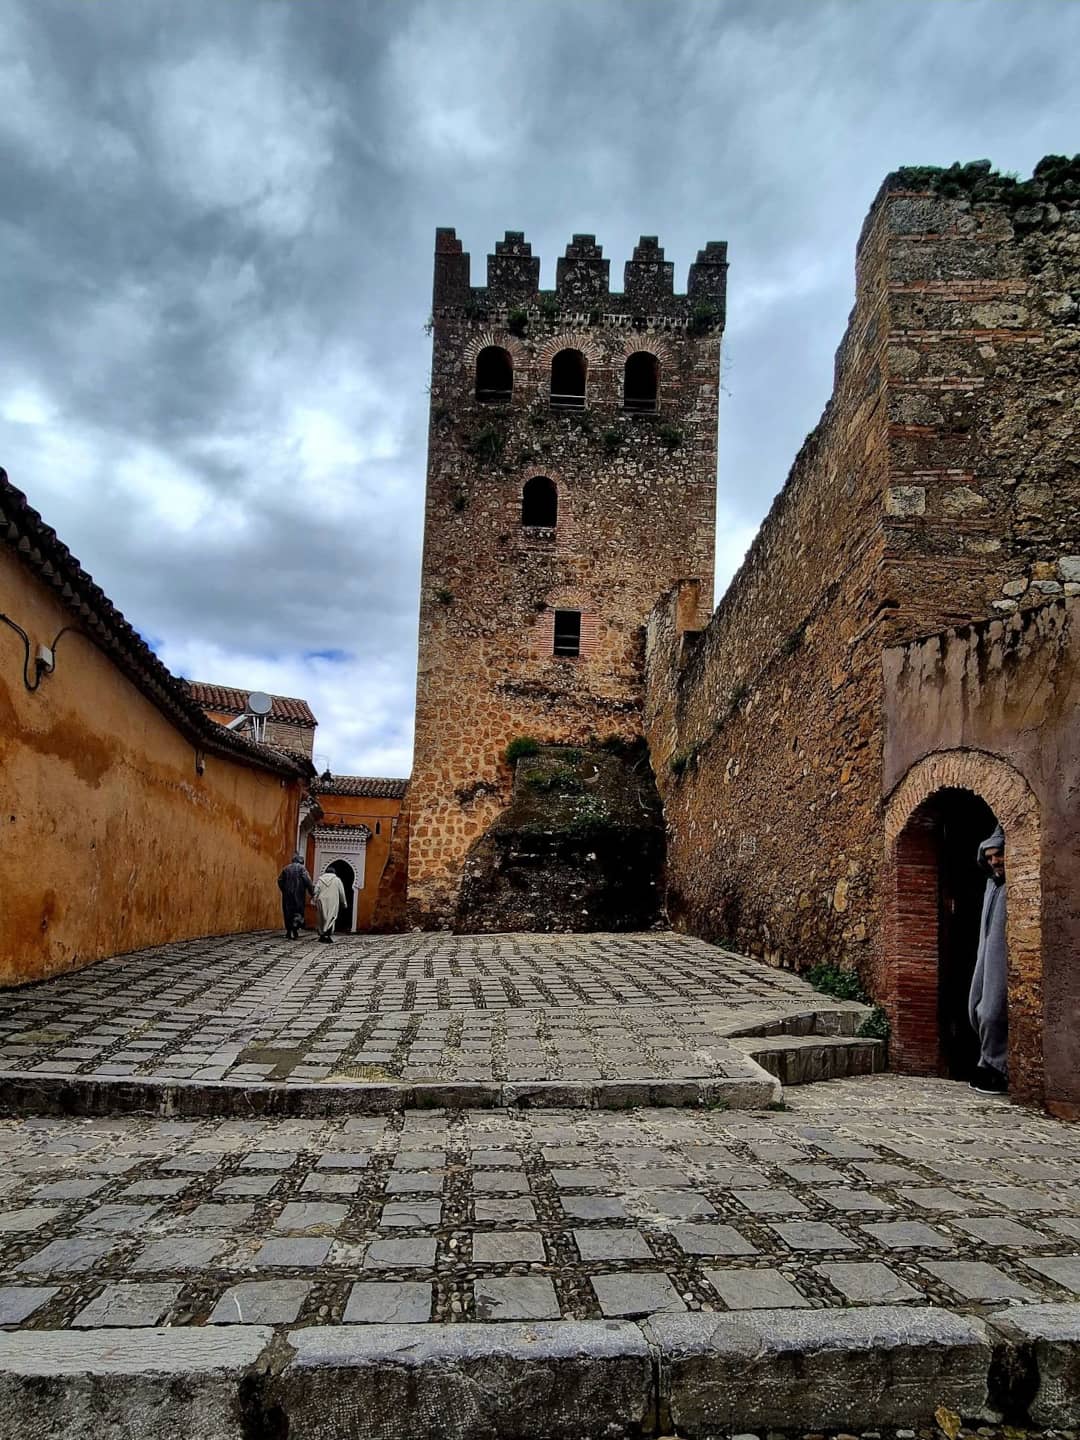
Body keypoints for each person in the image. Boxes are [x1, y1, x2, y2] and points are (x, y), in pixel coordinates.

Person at [968, 825, 1008, 1094]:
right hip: (987, 953)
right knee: (977, 1004)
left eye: (999, 855)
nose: (995, 861)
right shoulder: (991, 886)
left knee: (993, 1009)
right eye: (990, 856)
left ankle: (997, 1066)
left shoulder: (1011, 887)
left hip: (1003, 956)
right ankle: (988, 1060)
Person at [277, 852, 314, 940]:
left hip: (287, 895)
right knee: (298, 912)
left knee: (288, 912)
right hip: (299, 894)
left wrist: (284, 889)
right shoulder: (302, 869)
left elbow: (280, 880)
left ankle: (289, 931)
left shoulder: (286, 868)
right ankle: (295, 929)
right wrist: (311, 891)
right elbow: (307, 881)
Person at [313, 866, 348, 943]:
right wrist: (344, 902)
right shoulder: (337, 880)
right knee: (331, 917)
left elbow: (316, 890)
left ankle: (322, 934)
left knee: (322, 918)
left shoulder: (320, 880)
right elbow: (341, 892)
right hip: (333, 901)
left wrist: (314, 899)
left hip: (321, 900)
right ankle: (327, 934)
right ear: (334, 873)